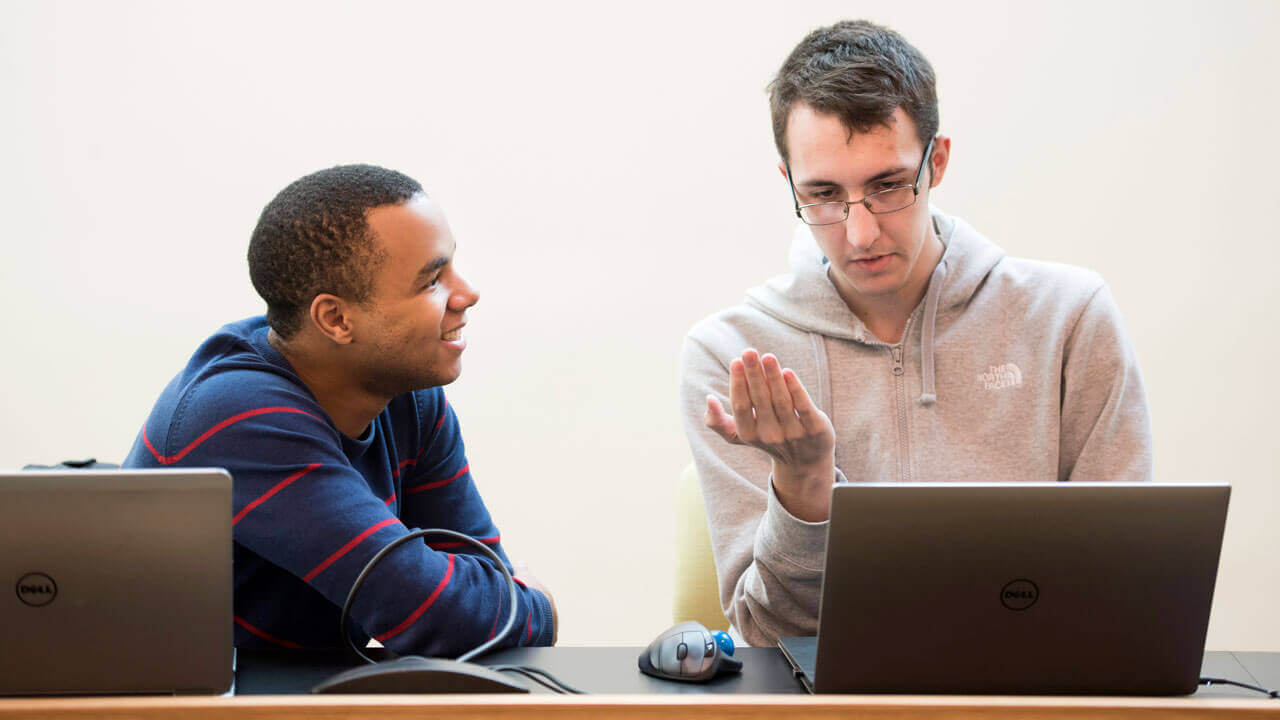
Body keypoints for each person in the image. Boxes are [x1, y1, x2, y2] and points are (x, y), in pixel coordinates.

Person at [679, 20, 1152, 647]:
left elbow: (1126, 592)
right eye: (822, 195)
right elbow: (771, 636)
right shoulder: (731, 357)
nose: (860, 233)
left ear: (938, 161)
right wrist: (804, 489)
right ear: (788, 182)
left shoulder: (1068, 317)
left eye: (888, 186)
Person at [124, 164, 556, 655]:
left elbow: (480, 591)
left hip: (301, 698)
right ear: (335, 319)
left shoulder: (407, 392)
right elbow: (440, 614)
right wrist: (536, 605)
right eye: (432, 280)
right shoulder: (237, 416)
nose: (468, 294)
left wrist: (495, 602)